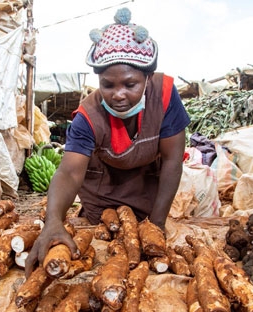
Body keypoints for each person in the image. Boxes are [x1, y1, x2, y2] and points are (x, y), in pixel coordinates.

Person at [25, 7, 190, 276]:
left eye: (130, 84)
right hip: (102, 193)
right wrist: (52, 221)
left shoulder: (165, 95)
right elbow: (68, 172)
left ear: (147, 79)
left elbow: (173, 161)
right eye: (108, 85)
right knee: (107, 240)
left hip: (146, 186)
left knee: (144, 231)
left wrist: (157, 225)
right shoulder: (87, 116)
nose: (118, 95)